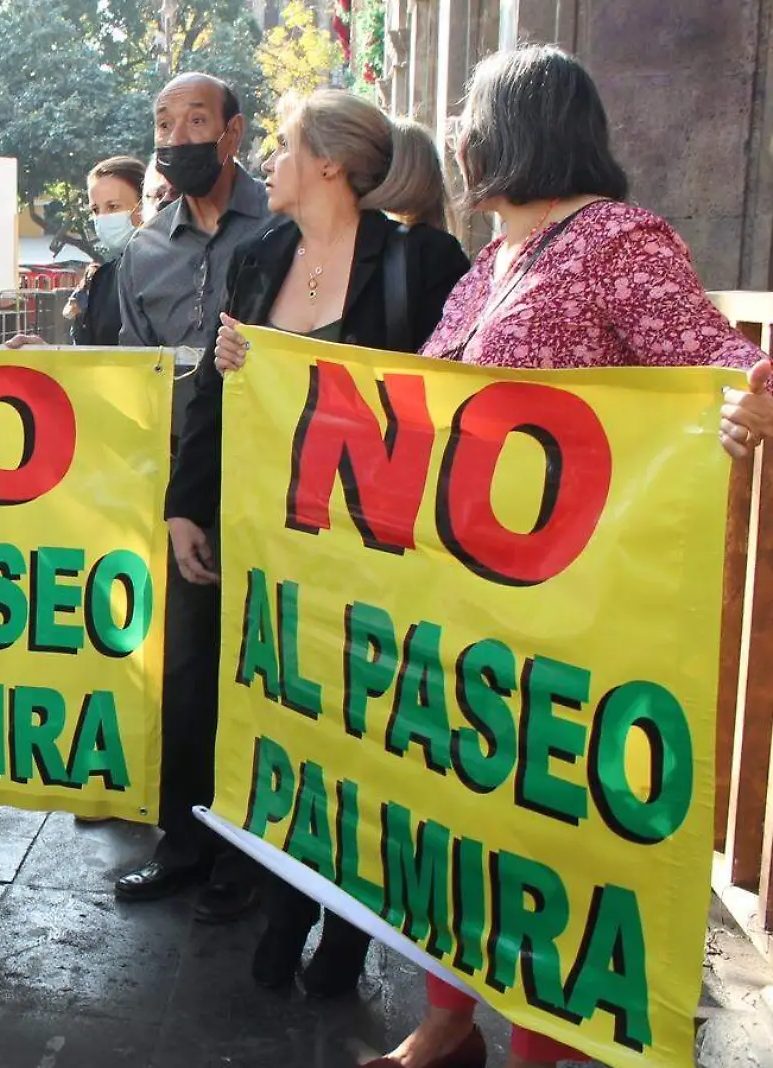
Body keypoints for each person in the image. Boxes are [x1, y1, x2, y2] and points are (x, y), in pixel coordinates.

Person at [216, 46, 773, 1068]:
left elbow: (722, 365)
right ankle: (448, 1018)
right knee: (452, 814)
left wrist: (741, 406)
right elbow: (414, 411)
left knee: (542, 837)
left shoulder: (617, 241)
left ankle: (541, 1044)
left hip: (566, 613)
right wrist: (271, 373)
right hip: (467, 608)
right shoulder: (495, 260)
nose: (459, 139)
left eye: (471, 117)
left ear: (514, 131)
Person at [168, 89, 470, 998]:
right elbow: (216, 390)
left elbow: (459, 403)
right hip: (269, 544)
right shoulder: (261, 254)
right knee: (284, 721)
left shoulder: (425, 259)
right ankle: (287, 893)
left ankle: (346, 922)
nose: (270, 160)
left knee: (367, 735)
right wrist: (189, 502)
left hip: (380, 555)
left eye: (288, 145)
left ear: (332, 162)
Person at [109, 71, 270, 927]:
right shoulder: (141, 250)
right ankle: (182, 841)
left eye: (195, 120)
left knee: (253, 670)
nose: (176, 136)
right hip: (174, 486)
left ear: (233, 132)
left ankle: (247, 855)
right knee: (177, 670)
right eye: (163, 121)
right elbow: (134, 373)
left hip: (272, 486)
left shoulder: (282, 231)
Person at [66, 156, 154, 348]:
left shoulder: (173, 271)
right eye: (95, 210)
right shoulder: (102, 280)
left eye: (113, 206)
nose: (103, 218)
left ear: (144, 205)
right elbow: (84, 355)